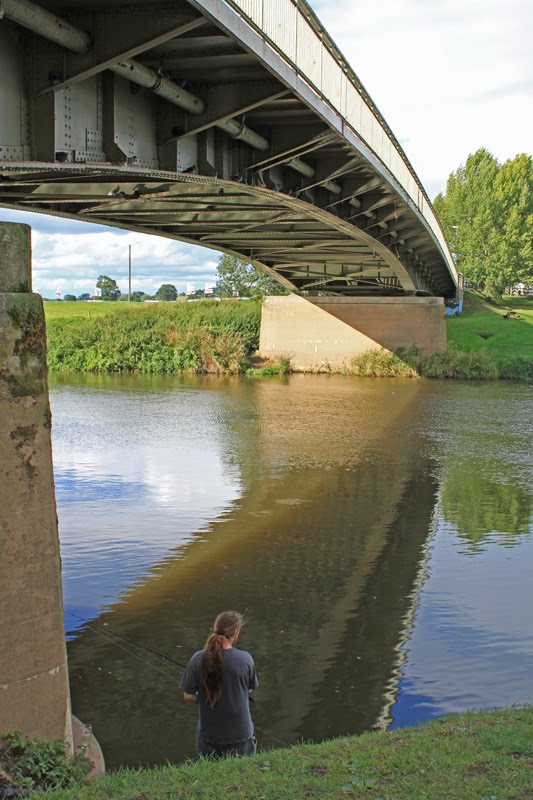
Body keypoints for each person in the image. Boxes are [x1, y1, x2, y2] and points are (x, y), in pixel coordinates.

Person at [180, 610, 259, 758]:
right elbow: (248, 689)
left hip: (209, 738)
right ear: (236, 632)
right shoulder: (245, 659)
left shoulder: (197, 659)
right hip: (241, 737)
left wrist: (207, 697)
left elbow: (188, 696)